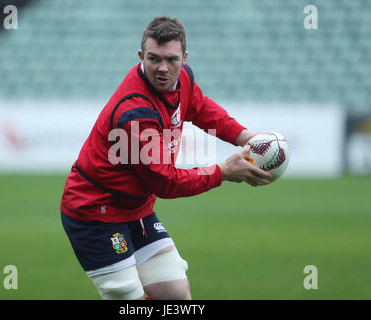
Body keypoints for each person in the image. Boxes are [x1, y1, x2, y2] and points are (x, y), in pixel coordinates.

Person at [60, 16, 271, 300]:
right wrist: (222, 172)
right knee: (129, 300)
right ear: (140, 56)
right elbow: (166, 182)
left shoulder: (182, 77)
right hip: (96, 211)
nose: (162, 68)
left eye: (171, 59)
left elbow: (199, 106)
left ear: (184, 57)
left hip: (137, 208)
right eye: (154, 59)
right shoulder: (134, 113)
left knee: (175, 293)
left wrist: (243, 136)